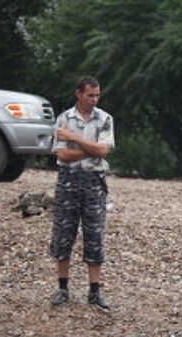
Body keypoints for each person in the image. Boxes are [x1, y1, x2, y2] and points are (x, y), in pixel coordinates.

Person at [49, 76, 115, 310]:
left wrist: (76, 139)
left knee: (94, 234)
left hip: (94, 181)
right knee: (64, 233)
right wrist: (92, 149)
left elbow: (104, 150)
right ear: (79, 94)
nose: (94, 100)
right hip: (68, 180)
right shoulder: (64, 119)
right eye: (90, 95)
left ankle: (94, 291)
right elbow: (62, 155)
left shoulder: (105, 119)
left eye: (97, 95)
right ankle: (62, 288)